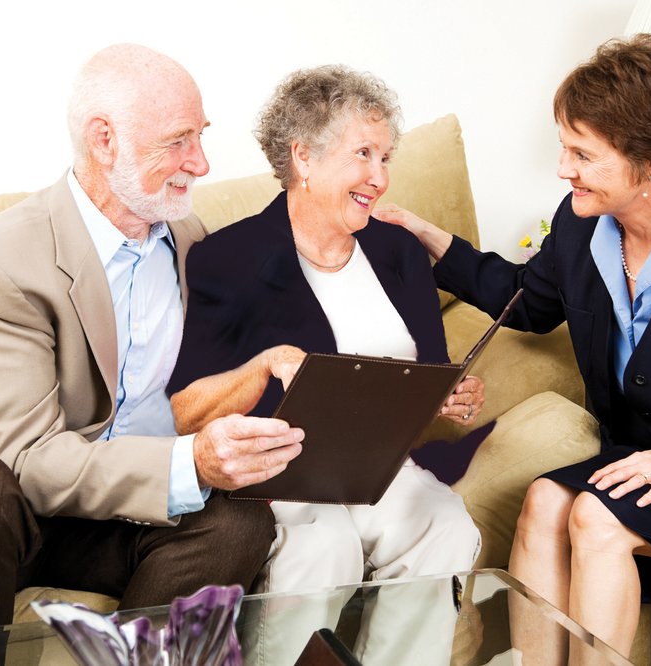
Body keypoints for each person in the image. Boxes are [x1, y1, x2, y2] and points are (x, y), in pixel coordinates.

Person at [0, 43, 306, 641]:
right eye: (179, 140)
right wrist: (194, 461)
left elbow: (198, 380)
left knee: (235, 523)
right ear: (104, 141)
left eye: (201, 136)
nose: (201, 163)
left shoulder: (186, 237)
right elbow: (26, 459)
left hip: (100, 506)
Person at [376, 34, 651, 664]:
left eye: (583, 154)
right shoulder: (582, 224)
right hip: (639, 459)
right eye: (565, 147)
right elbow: (527, 300)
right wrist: (434, 240)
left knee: (594, 518)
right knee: (544, 501)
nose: (564, 168)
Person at [165, 65, 484, 665]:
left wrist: (450, 397)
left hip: (378, 470)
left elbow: (430, 374)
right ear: (304, 157)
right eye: (363, 154)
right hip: (280, 478)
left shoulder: (399, 252)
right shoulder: (228, 257)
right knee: (324, 545)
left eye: (386, 157)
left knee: (445, 522)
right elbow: (183, 411)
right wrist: (260, 367)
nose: (380, 177)